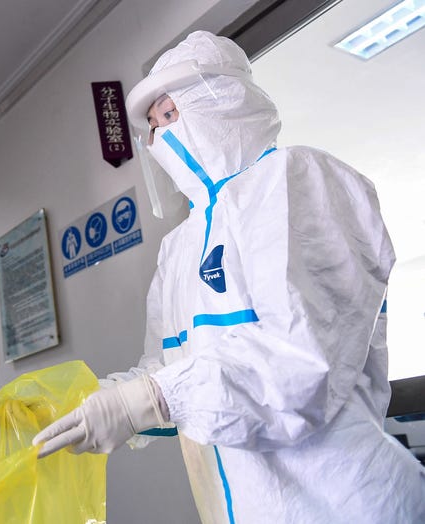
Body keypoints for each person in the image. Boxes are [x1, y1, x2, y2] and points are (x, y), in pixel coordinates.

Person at [33, 31, 425, 522]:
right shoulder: (179, 247)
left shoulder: (295, 180)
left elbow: (301, 365)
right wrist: (90, 404)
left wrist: (150, 399)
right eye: (153, 127)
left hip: (346, 503)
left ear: (222, 103)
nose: (161, 138)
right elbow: (169, 372)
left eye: (171, 115)